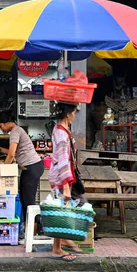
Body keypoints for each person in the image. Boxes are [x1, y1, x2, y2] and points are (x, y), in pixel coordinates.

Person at [0, 112, 44, 243]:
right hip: (31, 168)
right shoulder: (17, 131)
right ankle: (29, 232)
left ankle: (41, 227)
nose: (1, 129)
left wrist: (2, 170)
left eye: (0, 126)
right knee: (23, 200)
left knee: (28, 202)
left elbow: (11, 155)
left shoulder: (15, 132)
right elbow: (13, 151)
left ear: (6, 123)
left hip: (32, 167)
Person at [49, 102, 85, 262]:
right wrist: (66, 187)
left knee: (62, 210)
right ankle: (57, 248)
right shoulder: (62, 135)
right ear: (69, 113)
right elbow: (63, 160)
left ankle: (63, 241)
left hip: (60, 176)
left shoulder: (60, 130)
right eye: (74, 112)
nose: (75, 115)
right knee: (62, 211)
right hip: (61, 178)